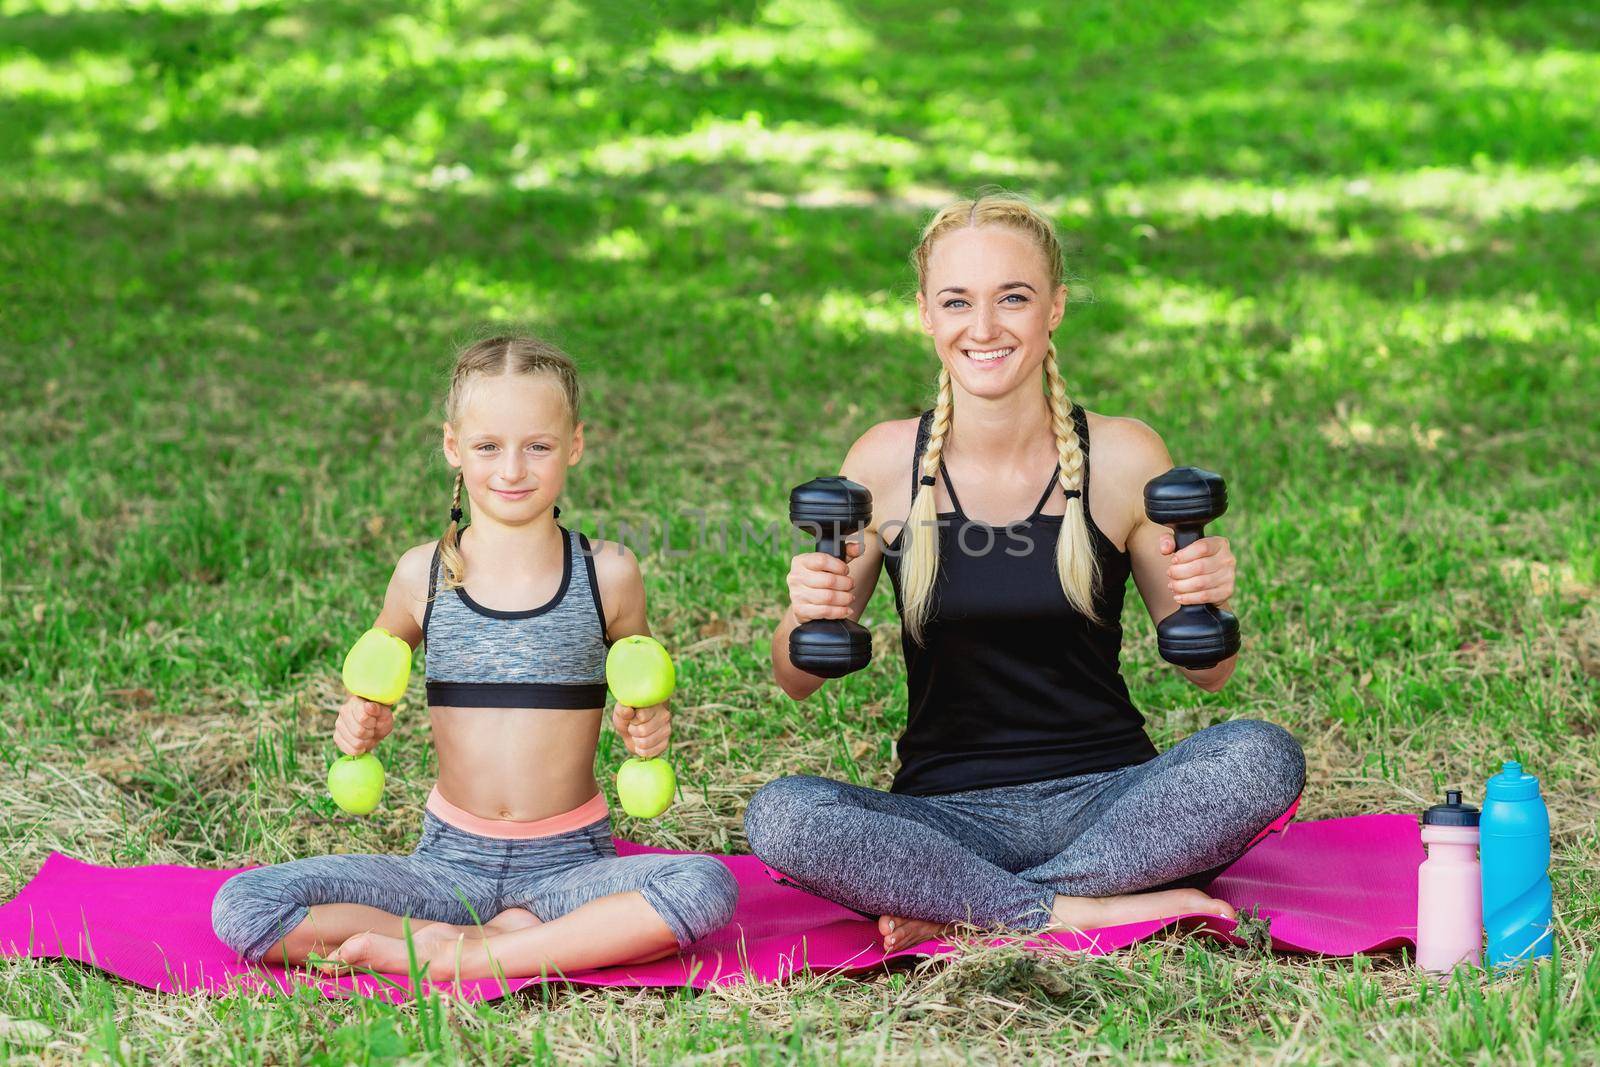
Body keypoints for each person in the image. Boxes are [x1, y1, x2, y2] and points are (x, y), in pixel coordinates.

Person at [744, 194, 1305, 953]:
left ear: (1055, 308)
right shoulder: (882, 462)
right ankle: (1079, 907)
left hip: (1110, 798)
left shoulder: (1125, 456)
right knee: (781, 814)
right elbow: (797, 678)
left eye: (1013, 297)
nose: (983, 328)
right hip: (947, 815)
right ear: (925, 314)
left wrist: (1206, 590)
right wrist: (805, 607)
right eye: (956, 301)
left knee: (1262, 755)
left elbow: (1212, 674)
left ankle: (982, 907)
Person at [212, 335, 737, 982]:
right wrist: (358, 721)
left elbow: (639, 693)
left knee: (704, 885)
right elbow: (371, 684)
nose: (512, 469)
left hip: (570, 863)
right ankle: (514, 940)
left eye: (537, 446)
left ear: (574, 444)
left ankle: (467, 953)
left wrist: (646, 726)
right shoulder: (420, 576)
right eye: (488, 446)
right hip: (447, 863)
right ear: (453, 447)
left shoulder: (610, 574)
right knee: (246, 905)